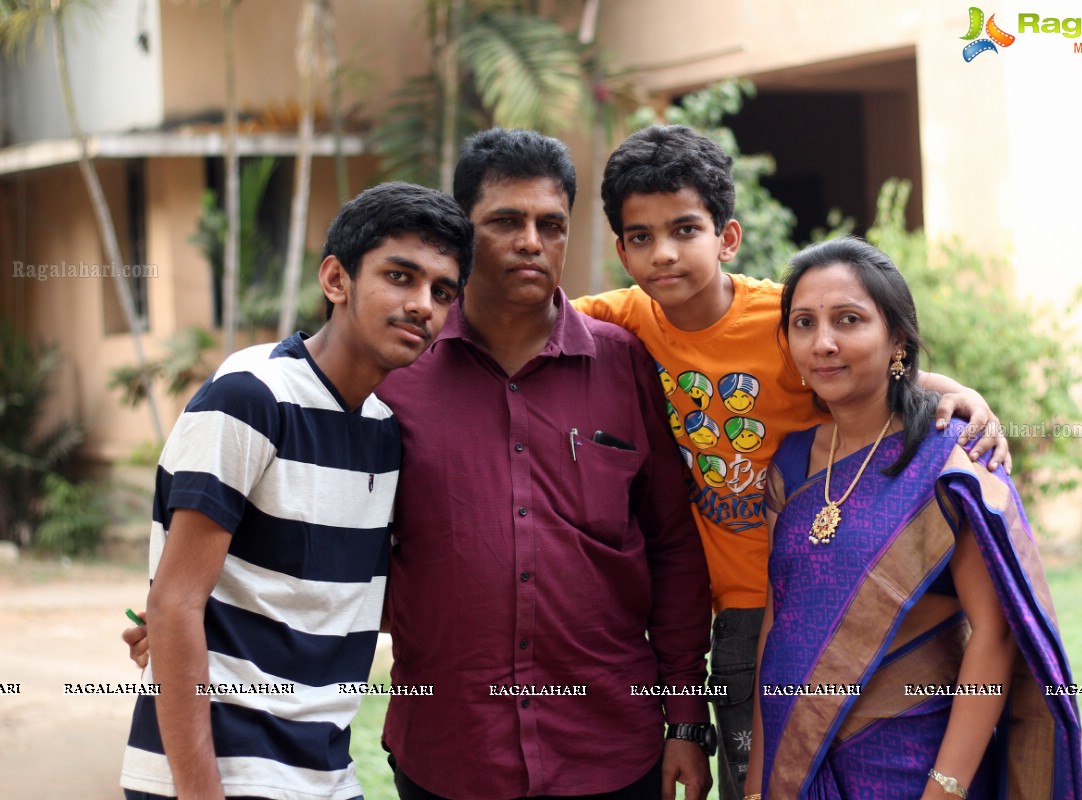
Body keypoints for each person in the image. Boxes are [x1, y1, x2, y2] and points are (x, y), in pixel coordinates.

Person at [571, 124, 1012, 800]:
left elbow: (875, 366)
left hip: (828, 582)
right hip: (740, 616)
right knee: (760, 780)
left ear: (727, 238)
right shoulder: (622, 317)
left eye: (685, 230)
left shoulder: (787, 317)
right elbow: (534, 323)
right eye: (640, 237)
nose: (663, 254)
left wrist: (963, 395)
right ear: (622, 248)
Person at [373, 128, 714, 800]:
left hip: (612, 749)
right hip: (450, 749)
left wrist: (683, 718)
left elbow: (674, 548)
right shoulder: (399, 374)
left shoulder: (625, 362)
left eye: (550, 224)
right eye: (506, 221)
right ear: (462, 235)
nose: (531, 241)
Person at [119, 182, 473, 800]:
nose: (423, 305)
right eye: (400, 276)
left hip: (325, 772)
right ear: (336, 280)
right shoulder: (250, 398)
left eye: (442, 292)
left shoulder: (384, 433)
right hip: (221, 771)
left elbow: (335, 597)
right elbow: (177, 604)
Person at [743, 237, 1082, 799]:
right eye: (804, 323)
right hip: (796, 765)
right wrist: (760, 779)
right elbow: (778, 627)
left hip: (907, 765)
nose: (823, 342)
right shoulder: (791, 461)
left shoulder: (948, 455)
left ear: (897, 337)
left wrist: (944, 789)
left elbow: (993, 634)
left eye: (848, 320)